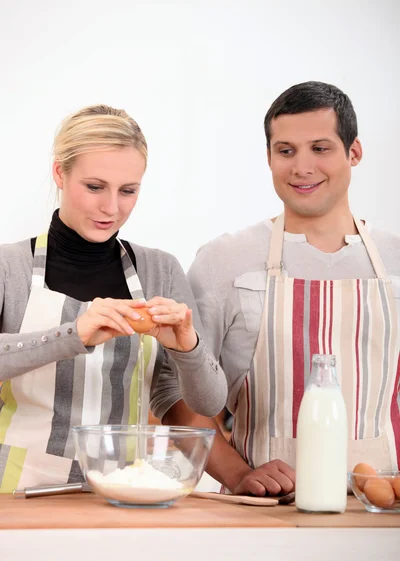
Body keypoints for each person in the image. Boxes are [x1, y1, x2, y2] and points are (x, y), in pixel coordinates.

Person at [158, 81, 400, 496]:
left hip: (384, 511)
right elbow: (177, 398)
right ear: (269, 157)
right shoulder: (223, 261)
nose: (301, 167)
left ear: (354, 152)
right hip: (263, 512)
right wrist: (239, 476)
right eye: (285, 151)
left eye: (320, 148)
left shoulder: (393, 259)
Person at [0, 104, 227, 492]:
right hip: (13, 490)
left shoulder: (160, 270)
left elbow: (208, 403)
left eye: (128, 191)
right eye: (94, 187)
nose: (111, 208)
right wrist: (75, 334)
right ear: (60, 172)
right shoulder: (10, 266)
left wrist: (188, 347)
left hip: (120, 489)